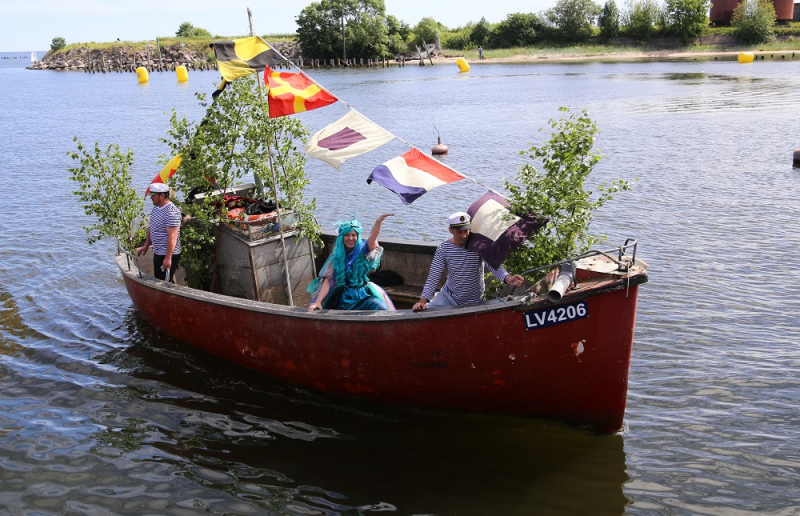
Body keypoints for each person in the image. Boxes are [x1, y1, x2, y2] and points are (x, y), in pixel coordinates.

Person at [413, 212, 524, 311]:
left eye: (466, 231)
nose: (464, 236)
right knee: (422, 314)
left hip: (474, 301)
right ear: (451, 230)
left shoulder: (478, 246)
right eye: (459, 232)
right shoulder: (443, 248)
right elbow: (434, 276)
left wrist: (508, 278)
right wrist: (422, 302)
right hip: (448, 297)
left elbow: (493, 265)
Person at [307, 214, 396, 312]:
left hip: (363, 294)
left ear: (357, 236)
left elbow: (373, 237)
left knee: (381, 307)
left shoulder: (364, 250)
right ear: (342, 237)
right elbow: (329, 280)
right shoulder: (336, 257)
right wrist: (318, 301)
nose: (350, 238)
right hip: (343, 296)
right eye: (347, 235)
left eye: (354, 235)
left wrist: (378, 222)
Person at [136, 183, 182, 282]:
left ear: (162, 195)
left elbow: (172, 237)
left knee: (165, 283)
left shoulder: (171, 212)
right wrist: (146, 246)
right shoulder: (157, 207)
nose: (151, 198)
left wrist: (168, 258)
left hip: (168, 254)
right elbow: (152, 227)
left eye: (153, 195)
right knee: (159, 280)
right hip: (158, 252)